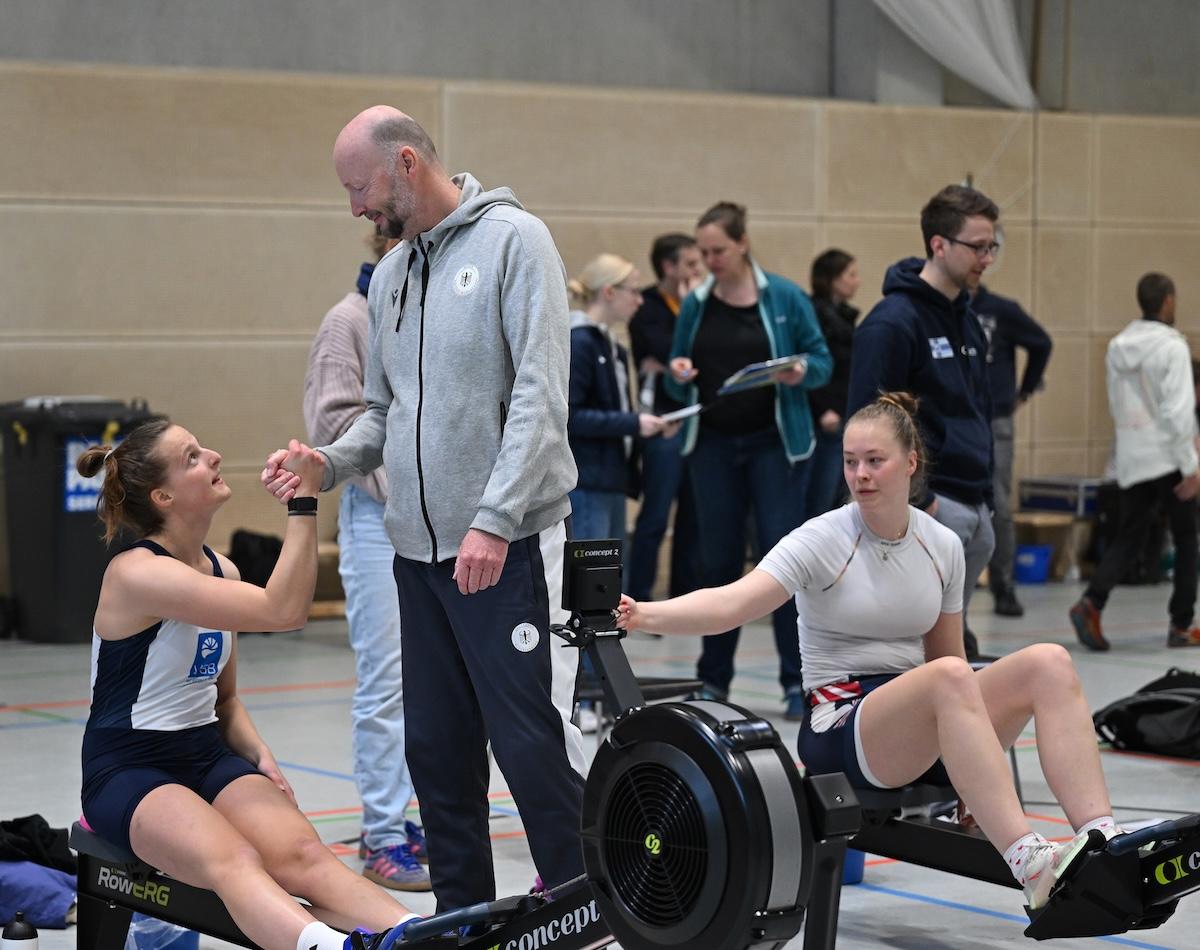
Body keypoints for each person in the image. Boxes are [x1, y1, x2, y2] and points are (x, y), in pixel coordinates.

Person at [616, 392, 1124, 911]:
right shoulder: (821, 539)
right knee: (950, 676)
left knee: (1048, 663)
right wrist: (643, 614)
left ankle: (1104, 840)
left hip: (925, 717)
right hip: (842, 724)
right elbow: (731, 603)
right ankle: (1029, 863)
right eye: (850, 461)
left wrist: (976, 764)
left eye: (875, 461)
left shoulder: (942, 545)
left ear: (910, 463)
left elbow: (946, 655)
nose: (860, 474)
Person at [266, 105, 586, 912]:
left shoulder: (517, 242)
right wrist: (327, 464)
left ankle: (583, 907)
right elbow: (383, 414)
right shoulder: (393, 275)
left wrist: (495, 519)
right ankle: (464, 917)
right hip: (419, 558)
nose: (355, 208)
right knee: (439, 753)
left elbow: (541, 401)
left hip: (508, 550)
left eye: (359, 187)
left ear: (407, 163)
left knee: (532, 742)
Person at [77, 419, 418, 950]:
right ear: (163, 496)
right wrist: (304, 501)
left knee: (306, 858)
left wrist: (259, 754)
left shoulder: (225, 571)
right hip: (128, 768)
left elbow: (226, 699)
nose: (213, 456)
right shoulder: (137, 573)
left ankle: (426, 936)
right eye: (192, 457)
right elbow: (284, 611)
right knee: (235, 860)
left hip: (205, 756)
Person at [665, 201, 832, 720]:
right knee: (717, 564)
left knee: (781, 562)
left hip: (772, 447)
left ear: (742, 243)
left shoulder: (784, 296)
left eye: (718, 250)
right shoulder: (696, 304)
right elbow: (677, 379)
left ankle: (795, 682)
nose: (710, 261)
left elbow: (823, 362)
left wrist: (799, 371)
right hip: (713, 446)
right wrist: (679, 372)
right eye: (703, 252)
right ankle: (713, 679)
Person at [303, 228, 430, 892]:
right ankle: (382, 834)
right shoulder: (348, 322)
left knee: (435, 682)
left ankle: (413, 818)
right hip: (378, 520)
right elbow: (332, 427)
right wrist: (403, 481)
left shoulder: (432, 310)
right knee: (387, 683)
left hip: (441, 521)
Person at [847, 185, 998, 661]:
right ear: (939, 245)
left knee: (951, 643)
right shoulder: (892, 323)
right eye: (978, 247)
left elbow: (978, 408)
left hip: (974, 502)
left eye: (992, 246)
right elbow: (867, 423)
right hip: (931, 505)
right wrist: (919, 499)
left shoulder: (968, 320)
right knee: (913, 649)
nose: (987, 259)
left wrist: (988, 494)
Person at [1069, 272, 1200, 650]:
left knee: (1129, 536)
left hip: (1132, 455)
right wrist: (1190, 465)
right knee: (1187, 538)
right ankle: (1181, 625)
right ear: (1169, 301)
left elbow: (1116, 404)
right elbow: (1177, 411)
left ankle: (1092, 602)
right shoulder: (1173, 347)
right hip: (1169, 456)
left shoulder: (1118, 346)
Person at [566, 252, 673, 542]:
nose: (640, 300)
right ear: (609, 292)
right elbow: (570, 417)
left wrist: (647, 425)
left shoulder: (613, 347)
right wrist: (635, 423)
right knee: (592, 568)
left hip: (612, 478)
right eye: (634, 291)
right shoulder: (580, 342)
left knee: (609, 568)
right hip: (586, 480)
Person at [626, 233, 706, 602]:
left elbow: (700, 359)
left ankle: (683, 602)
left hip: (696, 424)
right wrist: (689, 311)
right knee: (655, 517)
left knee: (694, 519)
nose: (699, 270)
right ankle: (637, 599)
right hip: (661, 423)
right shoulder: (647, 307)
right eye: (690, 263)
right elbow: (669, 354)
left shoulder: (703, 303)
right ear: (668, 266)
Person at [970, 280, 1053, 619]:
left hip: (995, 419)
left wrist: (1026, 390)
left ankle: (1003, 584)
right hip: (955, 419)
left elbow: (1041, 343)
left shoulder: (1000, 310)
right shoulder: (943, 308)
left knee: (999, 505)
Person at [805, 248, 861, 516]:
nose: (857, 281)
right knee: (821, 499)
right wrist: (822, 409)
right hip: (824, 417)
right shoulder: (813, 316)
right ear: (832, 279)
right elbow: (810, 367)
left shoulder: (846, 316)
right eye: (851, 275)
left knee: (839, 496)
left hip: (844, 412)